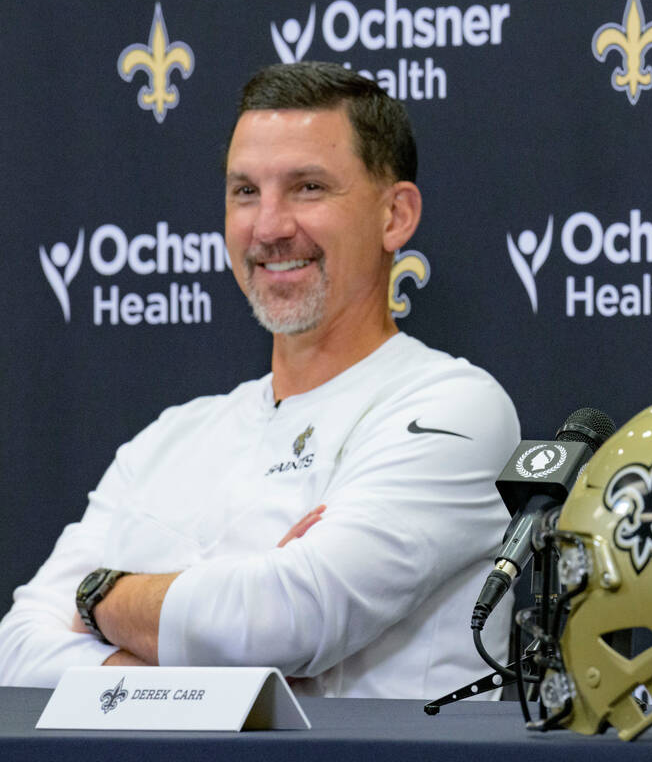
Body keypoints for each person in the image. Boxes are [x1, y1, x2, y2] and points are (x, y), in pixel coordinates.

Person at [0, 62, 520, 698]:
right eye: (245, 191)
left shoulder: (457, 407)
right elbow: (17, 653)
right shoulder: (170, 437)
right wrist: (230, 635)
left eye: (307, 188)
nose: (269, 227)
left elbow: (291, 620)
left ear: (395, 216)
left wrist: (102, 595)